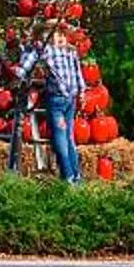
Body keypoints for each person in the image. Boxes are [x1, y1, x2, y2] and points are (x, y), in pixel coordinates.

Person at [19, 27, 86, 185]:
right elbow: (31, 57)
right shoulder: (55, 50)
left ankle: (71, 177)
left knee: (64, 138)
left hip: (64, 100)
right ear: (49, 37)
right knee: (64, 137)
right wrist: (81, 91)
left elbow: (77, 71)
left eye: (63, 35)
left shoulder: (64, 51)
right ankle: (73, 176)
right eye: (57, 35)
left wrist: (82, 91)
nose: (61, 38)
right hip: (63, 99)